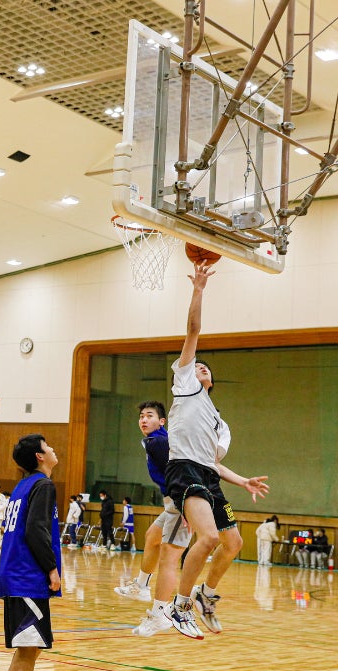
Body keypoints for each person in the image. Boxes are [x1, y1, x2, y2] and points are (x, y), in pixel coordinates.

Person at [155, 263, 269, 639]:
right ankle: (180, 606)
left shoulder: (220, 424)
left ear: (213, 382)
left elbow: (216, 464)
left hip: (206, 474)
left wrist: (243, 480)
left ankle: (206, 595)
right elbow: (193, 331)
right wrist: (199, 290)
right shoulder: (185, 384)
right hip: (184, 470)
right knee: (208, 538)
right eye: (197, 365)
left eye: (205, 368)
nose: (199, 366)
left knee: (233, 542)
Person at [0, 434, 62, 671]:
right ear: (40, 456)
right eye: (48, 445)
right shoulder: (43, 485)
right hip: (26, 576)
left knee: (33, 642)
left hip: (17, 574)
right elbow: (35, 530)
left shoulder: (23, 486)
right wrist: (51, 568)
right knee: (30, 647)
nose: (53, 448)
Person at [118, 401, 183, 605]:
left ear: (162, 421)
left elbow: (179, 474)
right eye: (141, 417)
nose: (144, 420)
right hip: (171, 503)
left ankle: (164, 609)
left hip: (179, 501)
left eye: (149, 416)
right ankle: (142, 586)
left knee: (169, 556)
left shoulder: (159, 443)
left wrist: (185, 506)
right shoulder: (155, 440)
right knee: (151, 537)